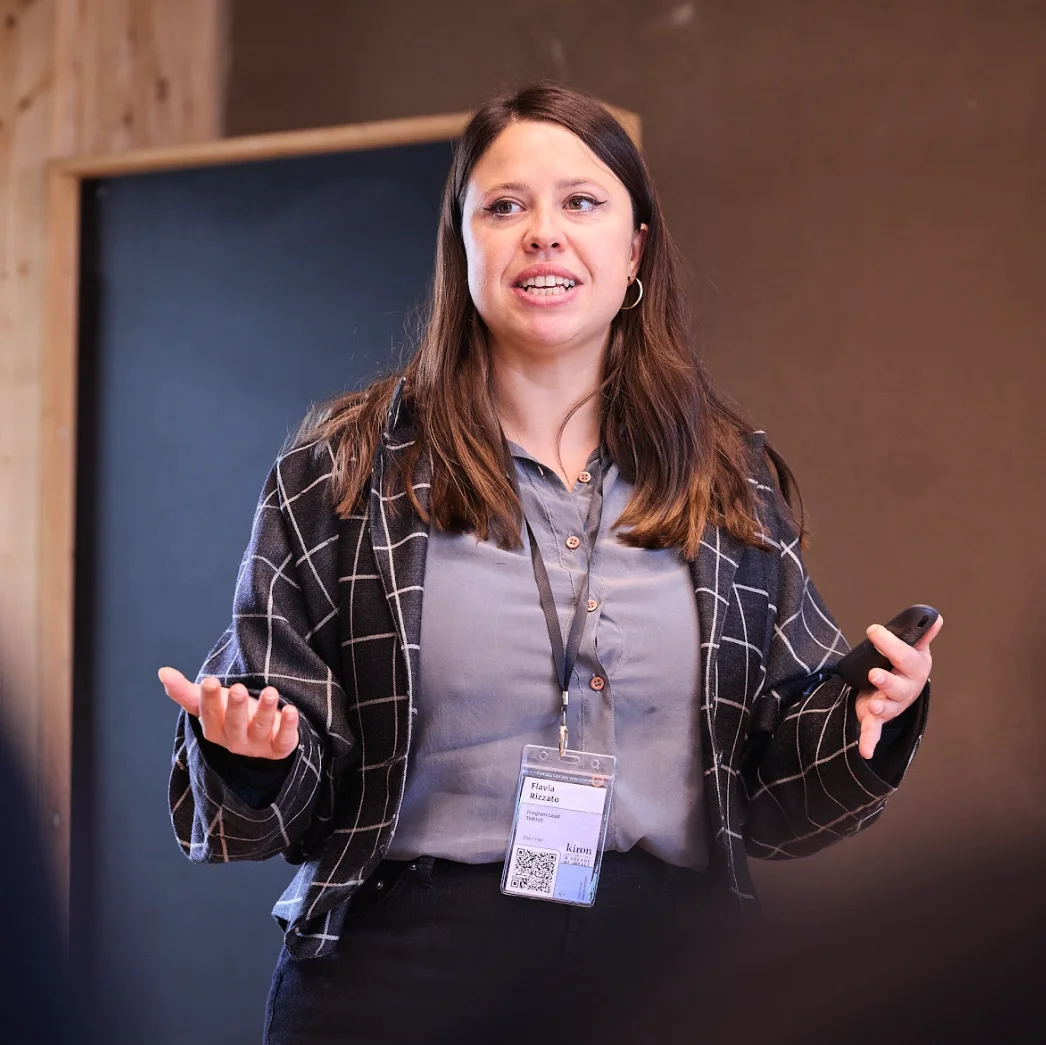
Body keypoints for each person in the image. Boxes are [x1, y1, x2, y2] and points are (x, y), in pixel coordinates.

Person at [159, 82, 942, 1044]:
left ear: (635, 250)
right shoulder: (342, 472)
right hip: (406, 975)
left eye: (581, 202)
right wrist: (251, 755)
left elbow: (773, 800)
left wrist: (866, 716)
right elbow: (275, 801)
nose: (543, 233)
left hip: (675, 976)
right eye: (504, 205)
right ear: (462, 244)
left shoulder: (725, 477)